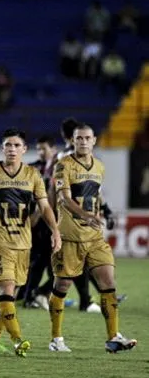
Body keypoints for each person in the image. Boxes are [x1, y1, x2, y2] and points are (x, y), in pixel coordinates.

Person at [49, 124, 137, 353]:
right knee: (62, 285)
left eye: (87, 138)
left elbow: (95, 194)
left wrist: (103, 213)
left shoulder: (99, 166)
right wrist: (86, 215)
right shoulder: (63, 165)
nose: (83, 142)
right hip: (70, 236)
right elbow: (64, 199)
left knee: (108, 283)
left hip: (95, 237)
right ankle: (56, 339)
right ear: (73, 141)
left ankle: (113, 337)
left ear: (94, 140)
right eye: (79, 139)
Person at [0, 127, 61, 357]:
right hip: (0, 241)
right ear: (2, 148)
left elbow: (45, 206)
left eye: (16, 145)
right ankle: (17, 340)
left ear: (24, 149)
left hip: (24, 243)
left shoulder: (33, 175)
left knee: (11, 293)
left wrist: (55, 230)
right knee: (6, 288)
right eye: (7, 145)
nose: (12, 149)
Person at [19, 135, 57, 309]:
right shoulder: (33, 168)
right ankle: (33, 295)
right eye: (39, 149)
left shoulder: (59, 168)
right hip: (38, 222)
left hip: (51, 221)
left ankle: (35, 294)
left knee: (47, 263)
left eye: (45, 149)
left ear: (53, 150)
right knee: (37, 262)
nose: (41, 152)